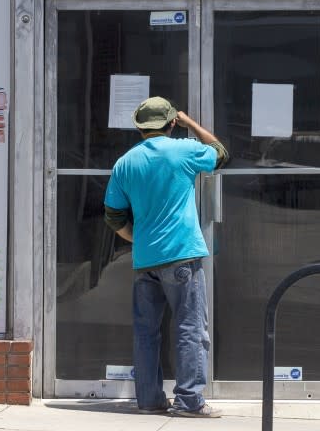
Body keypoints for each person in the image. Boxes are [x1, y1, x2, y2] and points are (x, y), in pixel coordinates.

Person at [103, 97, 228, 418]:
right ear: (172, 123)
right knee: (190, 328)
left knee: (146, 331)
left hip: (146, 261)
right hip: (182, 255)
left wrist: (137, 238)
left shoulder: (125, 163)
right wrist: (192, 124)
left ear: (139, 127)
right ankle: (189, 401)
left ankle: (149, 399)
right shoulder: (184, 150)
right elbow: (220, 154)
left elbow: (114, 216)